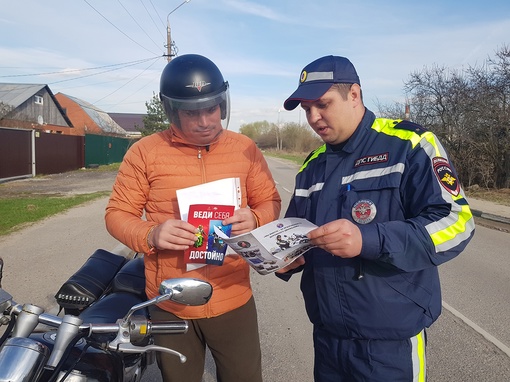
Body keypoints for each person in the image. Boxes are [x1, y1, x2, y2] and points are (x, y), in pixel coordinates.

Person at [277, 55, 475, 381]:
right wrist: (282, 257)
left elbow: (457, 223)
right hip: (327, 339)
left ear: (354, 94)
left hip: (389, 345)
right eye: (306, 109)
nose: (313, 117)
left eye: (322, 104)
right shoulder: (311, 165)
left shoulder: (409, 144)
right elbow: (297, 233)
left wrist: (369, 239)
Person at [105, 54, 281, 382]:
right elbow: (117, 214)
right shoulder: (144, 152)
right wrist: (151, 234)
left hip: (232, 297)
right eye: (191, 112)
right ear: (172, 111)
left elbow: (270, 200)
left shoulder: (245, 148)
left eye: (211, 109)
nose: (204, 121)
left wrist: (256, 218)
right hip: (170, 300)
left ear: (223, 107)